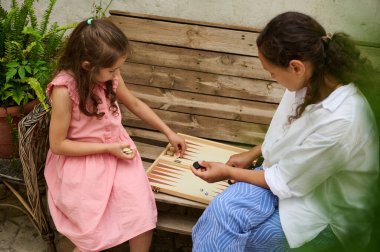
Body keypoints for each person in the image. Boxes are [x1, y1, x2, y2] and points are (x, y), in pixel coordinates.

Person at [191, 11, 379, 252]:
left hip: (325, 212)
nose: (273, 78)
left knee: (249, 240)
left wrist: (227, 172)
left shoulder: (342, 119)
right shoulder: (312, 80)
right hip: (282, 178)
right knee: (220, 215)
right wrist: (253, 153)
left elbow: (285, 181)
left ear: (296, 67)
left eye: (272, 73)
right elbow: (295, 139)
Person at [44, 18, 187, 252]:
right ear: (88, 65)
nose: (116, 74)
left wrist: (168, 132)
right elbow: (58, 145)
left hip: (118, 151)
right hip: (81, 160)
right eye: (112, 70)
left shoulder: (110, 77)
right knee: (93, 225)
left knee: (140, 210)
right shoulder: (64, 90)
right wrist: (107, 149)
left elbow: (135, 104)